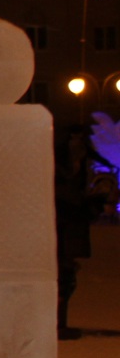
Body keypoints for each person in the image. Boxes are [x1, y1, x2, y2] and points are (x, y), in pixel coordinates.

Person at [55, 124, 103, 340]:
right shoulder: (63, 170)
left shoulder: (77, 156)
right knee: (63, 278)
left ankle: (60, 322)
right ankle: (59, 323)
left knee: (65, 276)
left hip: (69, 214)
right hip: (67, 214)